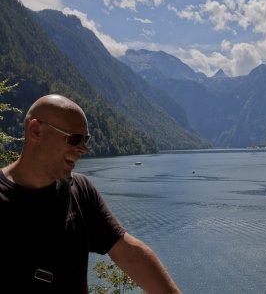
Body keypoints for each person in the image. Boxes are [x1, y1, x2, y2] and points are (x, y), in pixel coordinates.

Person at [0, 94, 181, 294]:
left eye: (86, 139)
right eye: (74, 138)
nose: (83, 149)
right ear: (36, 131)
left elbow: (129, 254)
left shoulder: (80, 190)